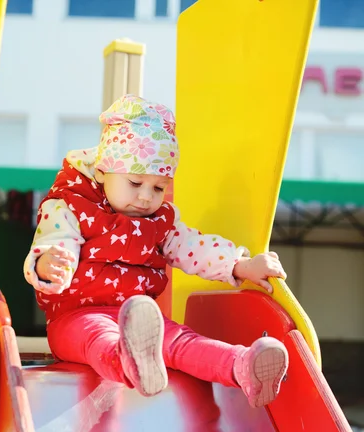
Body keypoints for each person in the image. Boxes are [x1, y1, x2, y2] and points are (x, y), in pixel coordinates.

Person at [24, 94, 288, 407]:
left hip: (140, 320)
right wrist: (48, 265)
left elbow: (193, 246)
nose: (147, 197)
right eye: (135, 183)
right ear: (102, 172)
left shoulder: (158, 221)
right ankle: (129, 362)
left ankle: (243, 366)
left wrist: (240, 265)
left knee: (181, 341)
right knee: (98, 337)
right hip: (76, 318)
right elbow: (54, 243)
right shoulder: (70, 207)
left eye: (158, 187)